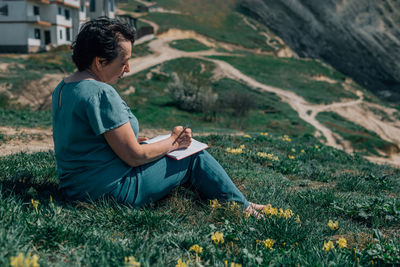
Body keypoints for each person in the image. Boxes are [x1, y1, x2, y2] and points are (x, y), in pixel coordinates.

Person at [52, 17, 264, 216]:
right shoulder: (100, 93)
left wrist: (134, 141)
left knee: (170, 152)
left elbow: (83, 140)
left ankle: (238, 200)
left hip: (75, 188)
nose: (127, 68)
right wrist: (173, 142)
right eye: (123, 61)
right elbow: (134, 157)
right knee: (192, 156)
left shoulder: (64, 87)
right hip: (108, 192)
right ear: (99, 62)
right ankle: (243, 209)